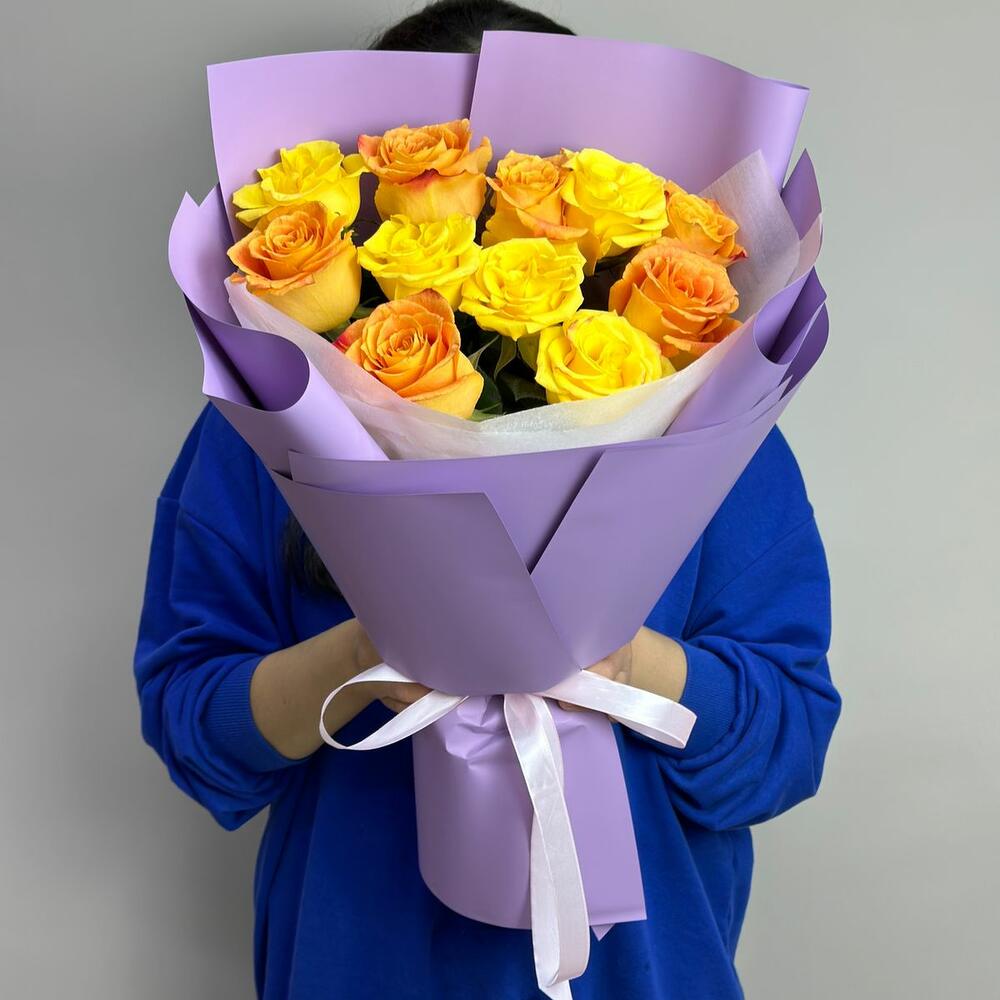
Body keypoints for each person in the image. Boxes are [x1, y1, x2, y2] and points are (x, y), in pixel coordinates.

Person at [135, 3, 841, 997]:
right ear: (371, 199)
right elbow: (196, 736)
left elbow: (786, 745)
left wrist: (621, 658)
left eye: (537, 172)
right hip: (358, 964)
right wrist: (371, 652)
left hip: (641, 972)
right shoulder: (257, 429)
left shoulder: (716, 427)